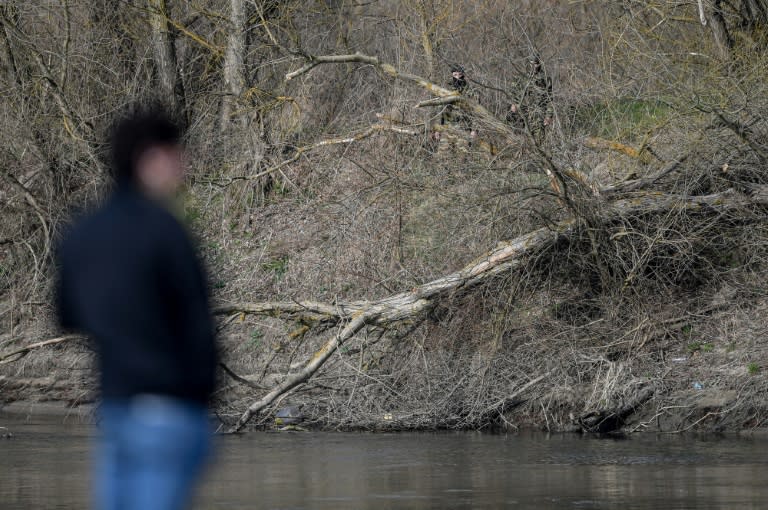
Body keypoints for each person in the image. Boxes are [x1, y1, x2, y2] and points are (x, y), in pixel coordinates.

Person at [56, 106, 217, 510]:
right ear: (149, 159)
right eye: (175, 153)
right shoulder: (166, 231)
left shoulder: (82, 231)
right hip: (172, 410)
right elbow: (197, 319)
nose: (184, 164)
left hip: (117, 409)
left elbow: (67, 315)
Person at [506, 55, 553, 145]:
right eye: (532, 64)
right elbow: (512, 91)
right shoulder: (521, 75)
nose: (534, 66)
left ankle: (537, 156)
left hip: (538, 113)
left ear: (540, 64)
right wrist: (513, 104)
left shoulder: (545, 78)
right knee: (520, 138)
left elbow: (550, 99)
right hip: (522, 111)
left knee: (538, 139)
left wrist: (548, 116)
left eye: (536, 64)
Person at [434, 64, 477, 155]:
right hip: (447, 127)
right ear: (452, 75)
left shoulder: (470, 90)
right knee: (442, 157)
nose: (457, 77)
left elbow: (476, 111)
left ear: (463, 75)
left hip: (464, 127)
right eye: (455, 75)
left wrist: (474, 130)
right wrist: (437, 128)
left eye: (459, 74)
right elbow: (440, 109)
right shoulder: (446, 89)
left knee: (462, 158)